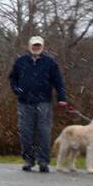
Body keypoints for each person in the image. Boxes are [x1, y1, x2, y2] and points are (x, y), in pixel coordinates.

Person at [8, 35, 68, 172]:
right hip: (24, 102)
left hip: (44, 102)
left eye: (38, 46)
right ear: (29, 46)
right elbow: (12, 78)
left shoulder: (50, 62)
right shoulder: (21, 61)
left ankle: (43, 161)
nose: (36, 48)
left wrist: (62, 98)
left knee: (44, 133)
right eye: (34, 45)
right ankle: (29, 160)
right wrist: (17, 90)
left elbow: (58, 81)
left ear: (42, 47)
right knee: (26, 133)